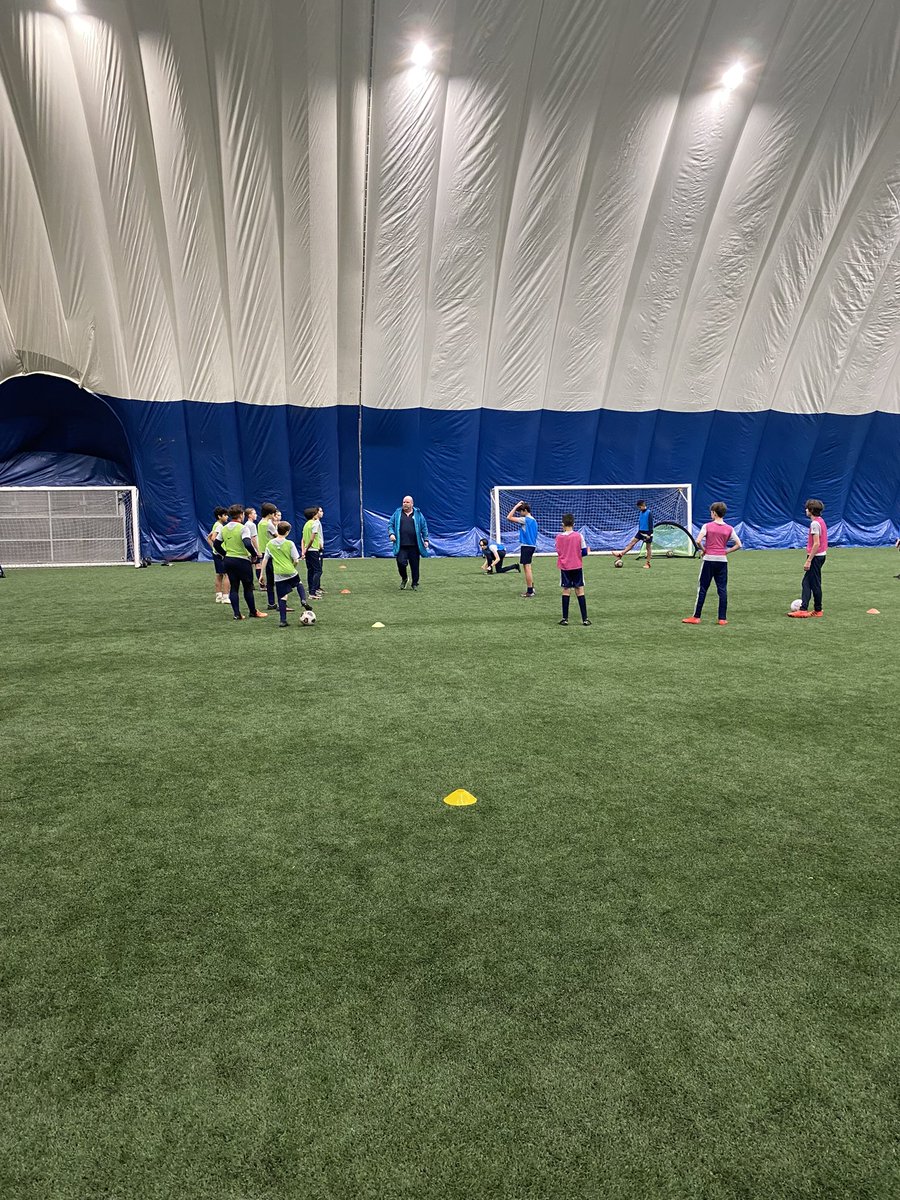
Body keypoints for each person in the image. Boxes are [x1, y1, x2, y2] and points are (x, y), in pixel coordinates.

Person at [682, 503, 742, 625]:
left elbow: (698, 541)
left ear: (714, 513)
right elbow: (739, 545)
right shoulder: (729, 528)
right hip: (722, 561)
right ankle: (722, 618)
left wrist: (704, 550)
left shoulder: (707, 526)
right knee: (722, 589)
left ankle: (696, 617)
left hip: (709, 560)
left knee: (703, 589)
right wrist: (726, 551)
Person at [214, 504, 267, 620]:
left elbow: (216, 544)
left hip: (228, 560)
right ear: (241, 515)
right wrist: (254, 555)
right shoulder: (243, 528)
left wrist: (224, 554)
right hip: (242, 560)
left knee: (234, 586)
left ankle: (237, 614)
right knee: (248, 587)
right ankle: (253, 611)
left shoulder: (225, 528)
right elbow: (247, 543)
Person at [257, 521, 314, 627]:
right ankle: (303, 600)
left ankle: (283, 621)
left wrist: (261, 574)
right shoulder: (289, 543)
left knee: (282, 597)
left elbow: (265, 560)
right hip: (290, 571)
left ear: (277, 529)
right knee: (299, 583)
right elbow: (296, 560)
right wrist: (293, 567)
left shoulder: (269, 544)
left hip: (278, 574)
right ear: (287, 532)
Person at [789, 499, 827, 618]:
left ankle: (805, 609)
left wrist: (809, 560)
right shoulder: (821, 521)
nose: (805, 510)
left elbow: (816, 543)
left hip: (816, 556)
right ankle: (816, 609)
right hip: (820, 555)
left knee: (810, 583)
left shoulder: (815, 524)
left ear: (811, 511)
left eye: (807, 508)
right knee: (811, 582)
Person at [555, 513, 591, 626]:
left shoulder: (559, 537)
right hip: (577, 566)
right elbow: (584, 552)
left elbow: (558, 551)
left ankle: (565, 618)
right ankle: (585, 619)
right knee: (579, 590)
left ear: (562, 525)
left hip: (565, 567)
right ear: (574, 524)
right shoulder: (579, 536)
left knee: (566, 590)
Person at [388, 495, 429, 590]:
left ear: (412, 504)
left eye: (407, 502)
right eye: (403, 502)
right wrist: (391, 534)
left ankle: (415, 583)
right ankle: (404, 578)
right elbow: (390, 524)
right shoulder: (397, 513)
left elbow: (424, 527)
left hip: (415, 545)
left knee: (415, 566)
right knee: (401, 562)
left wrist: (426, 540)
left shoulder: (418, 514)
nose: (405, 504)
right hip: (401, 545)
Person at [507, 501, 539, 596]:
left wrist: (516, 505)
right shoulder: (534, 520)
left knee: (527, 568)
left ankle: (530, 591)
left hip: (527, 546)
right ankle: (531, 588)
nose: (520, 514)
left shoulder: (525, 520)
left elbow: (509, 517)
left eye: (520, 511)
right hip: (532, 545)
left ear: (525, 510)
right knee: (527, 568)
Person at [613, 500, 654, 568]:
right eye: (639, 507)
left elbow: (650, 523)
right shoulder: (641, 512)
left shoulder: (649, 512)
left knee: (648, 548)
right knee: (632, 543)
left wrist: (649, 534)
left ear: (643, 505)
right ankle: (621, 554)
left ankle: (648, 563)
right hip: (641, 532)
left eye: (640, 507)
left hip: (647, 533)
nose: (639, 509)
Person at [257, 502, 279, 609]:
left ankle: (271, 602)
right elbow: (278, 537)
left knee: (270, 580)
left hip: (264, 552)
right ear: (270, 513)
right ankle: (281, 602)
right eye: (274, 513)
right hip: (272, 553)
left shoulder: (260, 523)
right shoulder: (269, 524)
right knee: (278, 579)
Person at [301, 505, 325, 598]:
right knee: (318, 570)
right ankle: (313, 592)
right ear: (314, 515)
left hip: (308, 550)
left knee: (310, 570)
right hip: (313, 549)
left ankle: (311, 589)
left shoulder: (306, 524)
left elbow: (303, 539)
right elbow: (312, 538)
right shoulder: (315, 523)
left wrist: (303, 551)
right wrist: (307, 549)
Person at [206, 506, 229, 603]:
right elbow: (213, 538)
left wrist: (213, 549)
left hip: (217, 553)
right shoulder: (219, 526)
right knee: (227, 575)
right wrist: (220, 549)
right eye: (225, 515)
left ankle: (218, 596)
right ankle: (225, 597)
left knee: (219, 574)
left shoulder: (216, 525)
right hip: (221, 554)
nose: (227, 517)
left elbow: (208, 537)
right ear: (219, 516)